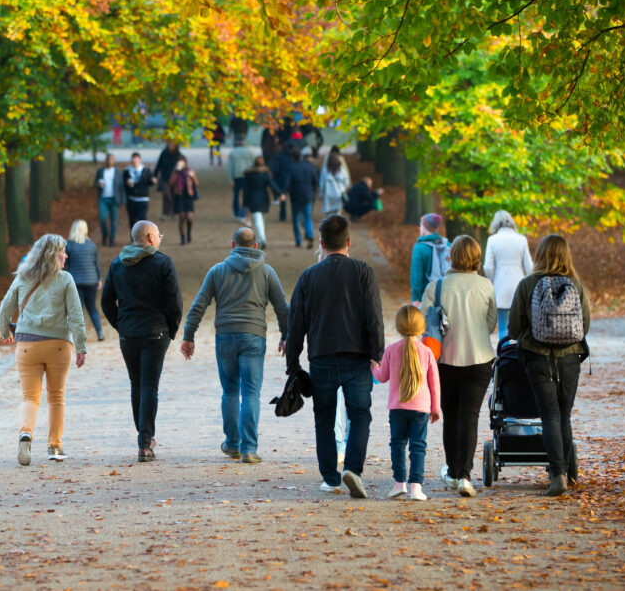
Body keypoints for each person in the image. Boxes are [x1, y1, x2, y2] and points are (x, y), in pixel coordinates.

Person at [286, 214, 385, 497]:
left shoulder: (308, 276)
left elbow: (296, 325)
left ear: (321, 243)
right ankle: (353, 467)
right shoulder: (363, 271)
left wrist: (292, 363)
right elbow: (373, 316)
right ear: (349, 242)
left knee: (324, 419)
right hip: (357, 356)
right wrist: (376, 351)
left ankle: (330, 477)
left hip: (322, 357)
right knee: (360, 414)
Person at [181, 227, 289, 463]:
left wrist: (189, 336)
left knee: (230, 391)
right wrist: (286, 335)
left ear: (232, 245)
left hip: (225, 337)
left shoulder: (217, 271)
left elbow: (199, 304)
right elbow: (282, 307)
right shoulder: (267, 272)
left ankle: (232, 444)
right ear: (256, 247)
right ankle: (249, 448)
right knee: (251, 393)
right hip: (254, 337)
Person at [509, 234, 590, 497]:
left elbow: (513, 328)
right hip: (569, 359)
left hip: (537, 357)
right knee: (564, 416)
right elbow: (584, 325)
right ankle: (564, 472)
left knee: (549, 415)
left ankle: (557, 477)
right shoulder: (575, 286)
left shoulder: (527, 284)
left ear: (540, 254)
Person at [0, 234, 87, 466]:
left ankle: (25, 433)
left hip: (27, 345)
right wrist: (81, 346)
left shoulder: (22, 278)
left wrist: (5, 333)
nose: (66, 255)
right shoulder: (65, 279)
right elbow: (76, 316)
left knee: (30, 397)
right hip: (58, 345)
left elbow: (4, 308)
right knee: (56, 397)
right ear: (52, 254)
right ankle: (55, 446)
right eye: (63, 252)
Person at [421, 235, 496, 498]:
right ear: (476, 257)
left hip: (444, 361)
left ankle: (453, 472)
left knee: (451, 417)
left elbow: (424, 324)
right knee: (470, 416)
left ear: (451, 256)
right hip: (479, 360)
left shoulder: (436, 287)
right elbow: (490, 324)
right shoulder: (486, 286)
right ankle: (465, 474)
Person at [101, 221, 182, 462]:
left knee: (136, 385)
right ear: (149, 237)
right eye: (158, 235)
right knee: (149, 386)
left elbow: (106, 302)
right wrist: (171, 330)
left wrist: (121, 325)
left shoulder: (118, 264)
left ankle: (144, 438)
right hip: (155, 332)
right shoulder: (163, 263)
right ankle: (145, 442)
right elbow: (174, 303)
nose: (160, 239)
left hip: (129, 334)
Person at [372, 304, 441, 501]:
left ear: (399, 326)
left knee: (397, 444)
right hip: (421, 409)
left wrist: (373, 367)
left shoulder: (392, 350)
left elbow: (381, 376)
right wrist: (435, 408)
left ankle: (399, 484)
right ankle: (416, 488)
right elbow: (434, 383)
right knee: (418, 446)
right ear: (422, 328)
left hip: (397, 408)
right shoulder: (427, 352)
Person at [484, 211, 533, 340]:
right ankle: (519, 355)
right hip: (519, 284)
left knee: (502, 328)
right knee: (520, 325)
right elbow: (529, 267)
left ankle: (504, 355)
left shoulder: (492, 240)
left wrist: (492, 280)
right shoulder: (521, 239)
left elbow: (488, 267)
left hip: (500, 285)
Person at [65, 220, 104, 342]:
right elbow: (96, 263)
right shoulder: (91, 245)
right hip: (91, 280)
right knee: (92, 307)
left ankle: (77, 337)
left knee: (77, 310)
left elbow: (65, 263)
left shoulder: (69, 245)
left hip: (75, 281)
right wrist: (99, 279)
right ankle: (100, 333)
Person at [409, 213, 451, 304]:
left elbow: (417, 276)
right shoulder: (448, 245)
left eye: (420, 225)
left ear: (424, 227)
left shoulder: (419, 248)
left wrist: (416, 297)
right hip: (447, 297)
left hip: (426, 298)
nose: (419, 228)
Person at [243, 157, 284, 249]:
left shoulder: (248, 175)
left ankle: (262, 239)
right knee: (261, 221)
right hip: (264, 199)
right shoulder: (265, 174)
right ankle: (261, 239)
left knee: (258, 221)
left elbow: (246, 190)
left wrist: (245, 203)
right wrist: (280, 194)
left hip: (253, 199)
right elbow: (272, 185)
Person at [286, 149, 319, 248]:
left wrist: (287, 191)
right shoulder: (310, 167)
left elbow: (287, 183)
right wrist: (313, 191)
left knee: (296, 218)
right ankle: (310, 235)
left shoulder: (291, 168)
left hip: (295, 196)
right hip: (308, 194)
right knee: (308, 217)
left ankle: (298, 240)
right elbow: (315, 181)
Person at [94, 153, 126, 247]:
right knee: (103, 218)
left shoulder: (118, 172)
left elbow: (121, 186)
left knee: (114, 221)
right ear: (105, 160)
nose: (109, 161)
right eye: (108, 159)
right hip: (103, 199)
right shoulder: (100, 171)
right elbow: (95, 183)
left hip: (114, 199)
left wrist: (122, 199)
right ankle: (104, 236)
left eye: (112, 159)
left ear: (114, 161)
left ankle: (112, 239)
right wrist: (98, 184)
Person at [169, 156, 199, 245]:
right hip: (179, 196)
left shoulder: (190, 171)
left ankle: (189, 233)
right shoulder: (175, 172)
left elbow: (196, 183)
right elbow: (171, 182)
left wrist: (192, 177)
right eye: (179, 163)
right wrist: (175, 171)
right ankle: (182, 237)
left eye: (182, 163)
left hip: (188, 196)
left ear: (185, 163)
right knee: (181, 217)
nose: (180, 165)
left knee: (189, 218)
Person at [227, 136, 256, 222]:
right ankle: (243, 214)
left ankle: (236, 213)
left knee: (236, 195)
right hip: (247, 176)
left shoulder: (232, 153)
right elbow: (253, 165)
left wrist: (230, 179)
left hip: (236, 177)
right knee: (245, 196)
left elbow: (229, 167)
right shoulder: (250, 152)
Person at [123, 152, 156, 229]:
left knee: (142, 221)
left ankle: (142, 240)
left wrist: (153, 181)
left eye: (136, 159)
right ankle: (133, 239)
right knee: (132, 220)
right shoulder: (127, 171)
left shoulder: (146, 170)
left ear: (139, 160)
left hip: (143, 199)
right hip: (131, 199)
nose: (135, 161)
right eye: (133, 159)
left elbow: (149, 182)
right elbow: (123, 184)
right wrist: (127, 183)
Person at [152, 141, 180, 220]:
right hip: (165, 178)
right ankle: (165, 212)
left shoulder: (178, 155)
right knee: (166, 194)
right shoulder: (164, 154)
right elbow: (159, 165)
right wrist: (155, 175)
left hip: (175, 179)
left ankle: (173, 212)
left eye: (173, 144)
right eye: (169, 144)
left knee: (174, 195)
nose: (171, 145)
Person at [269, 142, 294, 222]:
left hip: (281, 180)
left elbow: (275, 169)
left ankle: (283, 216)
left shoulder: (278, 157)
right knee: (293, 199)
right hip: (293, 180)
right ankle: (294, 215)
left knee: (282, 198)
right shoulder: (293, 156)